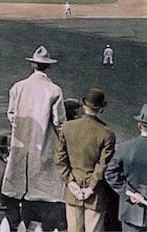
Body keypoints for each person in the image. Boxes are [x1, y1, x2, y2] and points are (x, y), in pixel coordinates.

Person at [2, 45, 67, 231]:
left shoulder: (18, 87)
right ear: (48, 67)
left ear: (32, 65)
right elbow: (59, 122)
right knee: (44, 191)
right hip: (45, 144)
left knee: (22, 188)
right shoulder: (54, 90)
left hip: (22, 144)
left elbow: (12, 115)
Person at [55, 89, 116, 232]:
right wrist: (90, 187)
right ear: (101, 109)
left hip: (72, 190)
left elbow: (59, 158)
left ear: (83, 106)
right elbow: (103, 165)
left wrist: (70, 182)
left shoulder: (67, 128)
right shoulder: (107, 133)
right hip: (95, 192)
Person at [105, 103, 147, 232]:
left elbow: (110, 173)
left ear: (139, 125)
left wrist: (129, 192)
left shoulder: (126, 147)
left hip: (131, 212)